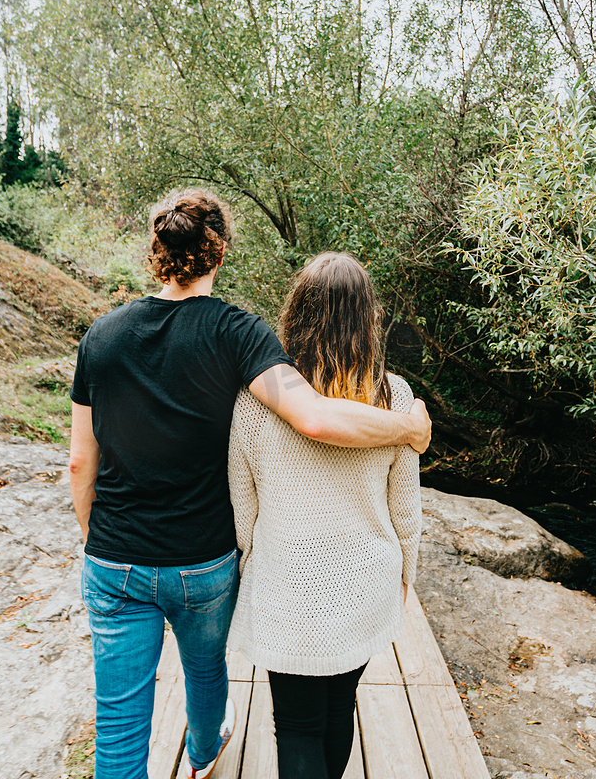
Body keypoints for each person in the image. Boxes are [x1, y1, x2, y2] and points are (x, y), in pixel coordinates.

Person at [67, 189, 431, 779]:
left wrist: (97, 541)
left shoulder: (101, 337)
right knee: (232, 678)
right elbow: (323, 428)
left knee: (121, 724)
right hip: (224, 565)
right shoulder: (240, 335)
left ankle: (196, 752)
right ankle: (205, 750)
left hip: (126, 559)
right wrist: (411, 430)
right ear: (220, 251)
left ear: (156, 250)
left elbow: (84, 465)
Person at [227, 251, 423, 779]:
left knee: (295, 725)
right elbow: (405, 508)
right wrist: (406, 572)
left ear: (297, 311)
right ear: (367, 317)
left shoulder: (258, 398)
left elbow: (243, 506)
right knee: (339, 710)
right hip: (364, 580)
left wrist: (254, 561)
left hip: (288, 582)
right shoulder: (395, 396)